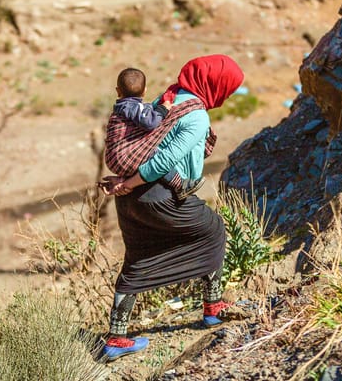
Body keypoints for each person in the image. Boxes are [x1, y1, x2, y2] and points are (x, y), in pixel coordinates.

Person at [100, 54, 245, 362]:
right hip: (156, 193)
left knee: (139, 257)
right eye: (228, 89)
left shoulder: (168, 97)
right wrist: (131, 182)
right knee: (213, 229)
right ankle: (213, 308)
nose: (227, 95)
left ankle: (117, 338)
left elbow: (137, 144)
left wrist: (125, 183)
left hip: (131, 199)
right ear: (215, 85)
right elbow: (162, 160)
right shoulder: (196, 116)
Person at [106, 67, 207, 201]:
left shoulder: (121, 109)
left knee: (147, 155)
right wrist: (162, 109)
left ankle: (125, 179)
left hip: (113, 157)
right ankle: (181, 185)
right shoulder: (133, 107)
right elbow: (150, 123)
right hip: (124, 156)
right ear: (145, 91)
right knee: (159, 158)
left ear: (118, 91)